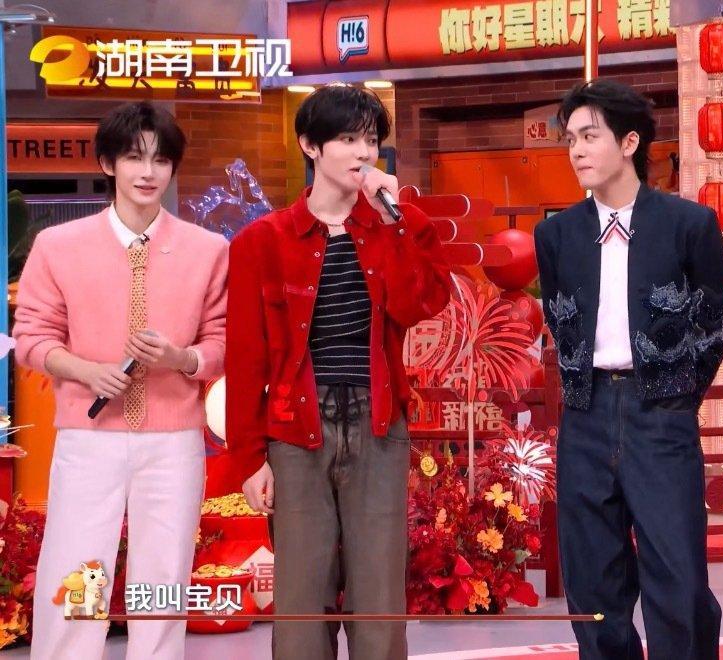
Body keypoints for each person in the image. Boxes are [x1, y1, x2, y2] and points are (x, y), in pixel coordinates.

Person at [226, 84, 452, 659]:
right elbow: (246, 358)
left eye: (371, 141)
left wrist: (395, 220)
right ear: (311, 145)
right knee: (303, 597)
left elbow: (421, 303)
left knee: (379, 594)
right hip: (295, 430)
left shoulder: (394, 224)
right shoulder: (262, 241)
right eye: (348, 139)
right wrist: (249, 459)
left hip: (378, 424)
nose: (363, 153)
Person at [15, 100, 228, 659]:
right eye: (134, 158)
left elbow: (223, 343)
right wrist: (87, 371)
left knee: (164, 573)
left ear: (173, 168)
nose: (147, 172)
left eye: (160, 160)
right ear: (108, 164)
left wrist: (180, 358)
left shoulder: (209, 250)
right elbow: (32, 337)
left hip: (174, 441)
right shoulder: (58, 246)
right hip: (89, 438)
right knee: (79, 568)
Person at [534, 79, 723, 660]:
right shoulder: (555, 234)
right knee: (593, 582)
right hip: (586, 415)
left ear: (629, 142)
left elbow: (715, 320)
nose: (576, 150)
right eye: (571, 139)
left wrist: (676, 393)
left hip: (661, 414)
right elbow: (560, 321)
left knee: (679, 579)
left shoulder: (688, 223)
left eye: (589, 136)